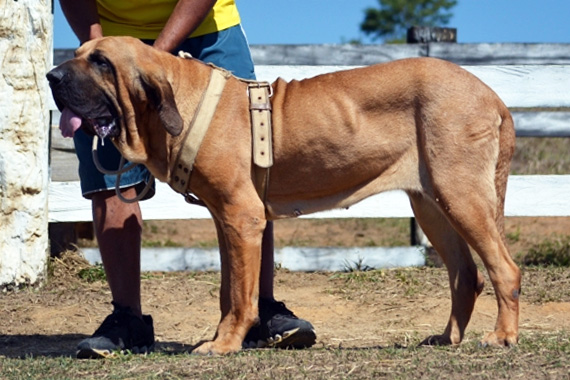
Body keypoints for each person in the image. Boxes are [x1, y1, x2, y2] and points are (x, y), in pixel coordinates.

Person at [58, 0, 316, 358]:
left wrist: (151, 62)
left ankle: (260, 310)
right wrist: (100, 50)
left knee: (247, 176)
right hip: (111, 38)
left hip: (205, 28)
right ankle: (127, 320)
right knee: (110, 179)